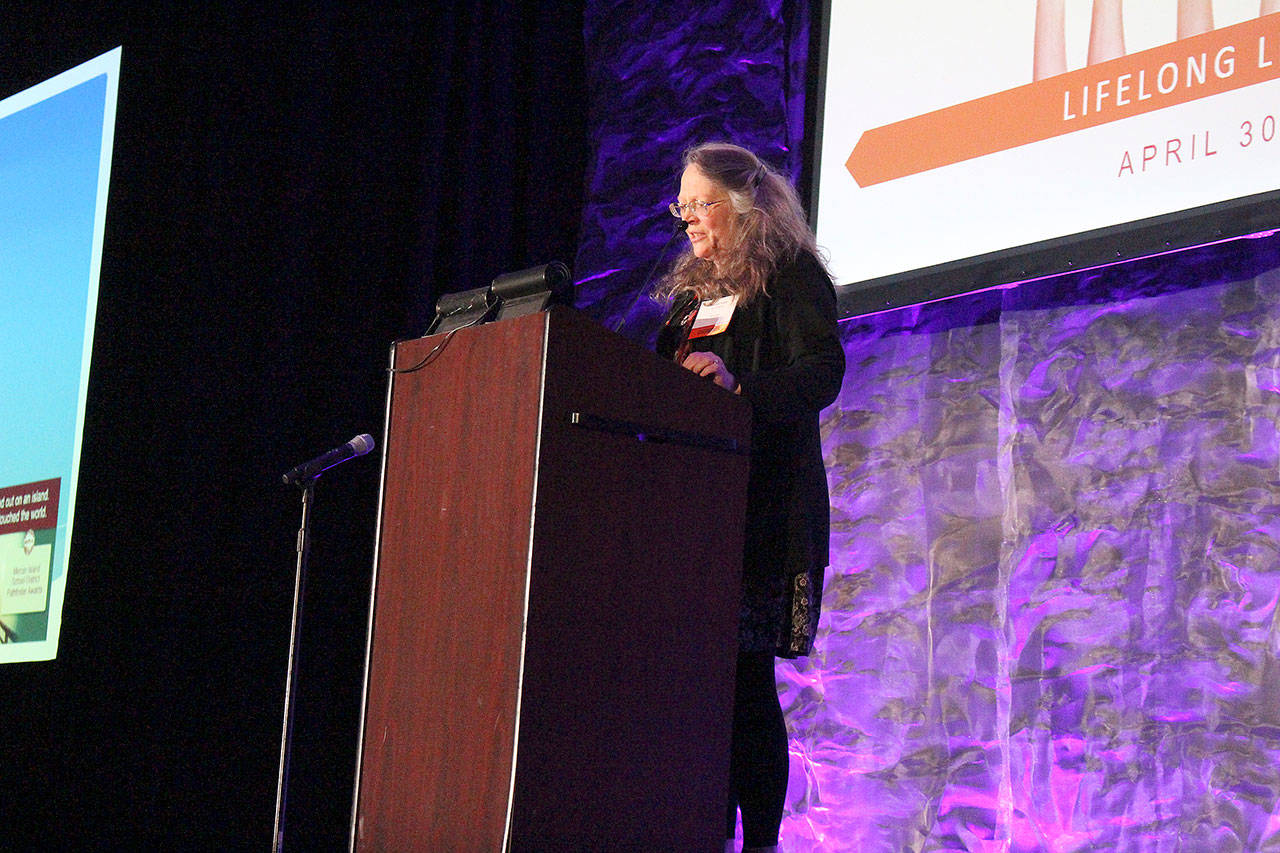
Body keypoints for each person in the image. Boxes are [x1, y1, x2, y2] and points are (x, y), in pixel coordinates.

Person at [654, 142, 845, 853]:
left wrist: (740, 390)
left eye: (700, 204)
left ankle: (758, 840)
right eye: (683, 207)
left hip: (761, 513)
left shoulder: (788, 276)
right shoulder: (693, 296)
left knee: (743, 680)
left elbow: (822, 371)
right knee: (702, 685)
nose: (689, 221)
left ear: (742, 205)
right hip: (694, 517)